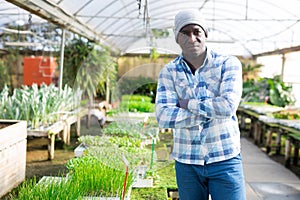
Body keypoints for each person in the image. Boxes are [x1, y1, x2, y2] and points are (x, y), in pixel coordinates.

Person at [155, 9, 246, 200]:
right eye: (184, 33)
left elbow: (228, 106)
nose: (192, 38)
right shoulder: (168, 72)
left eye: (196, 31)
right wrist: (211, 110)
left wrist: (187, 104)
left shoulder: (228, 64)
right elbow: (163, 116)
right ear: (177, 38)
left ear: (206, 34)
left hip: (225, 158)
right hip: (187, 161)